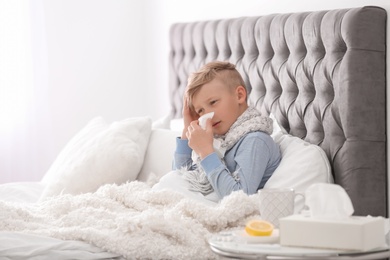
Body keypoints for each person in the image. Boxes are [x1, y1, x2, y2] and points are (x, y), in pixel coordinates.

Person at [172, 61, 281, 201]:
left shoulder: (255, 140)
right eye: (200, 111)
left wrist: (206, 152)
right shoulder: (220, 142)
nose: (208, 115)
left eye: (213, 102)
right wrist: (187, 130)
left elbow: (239, 198)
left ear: (239, 95)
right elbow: (180, 180)